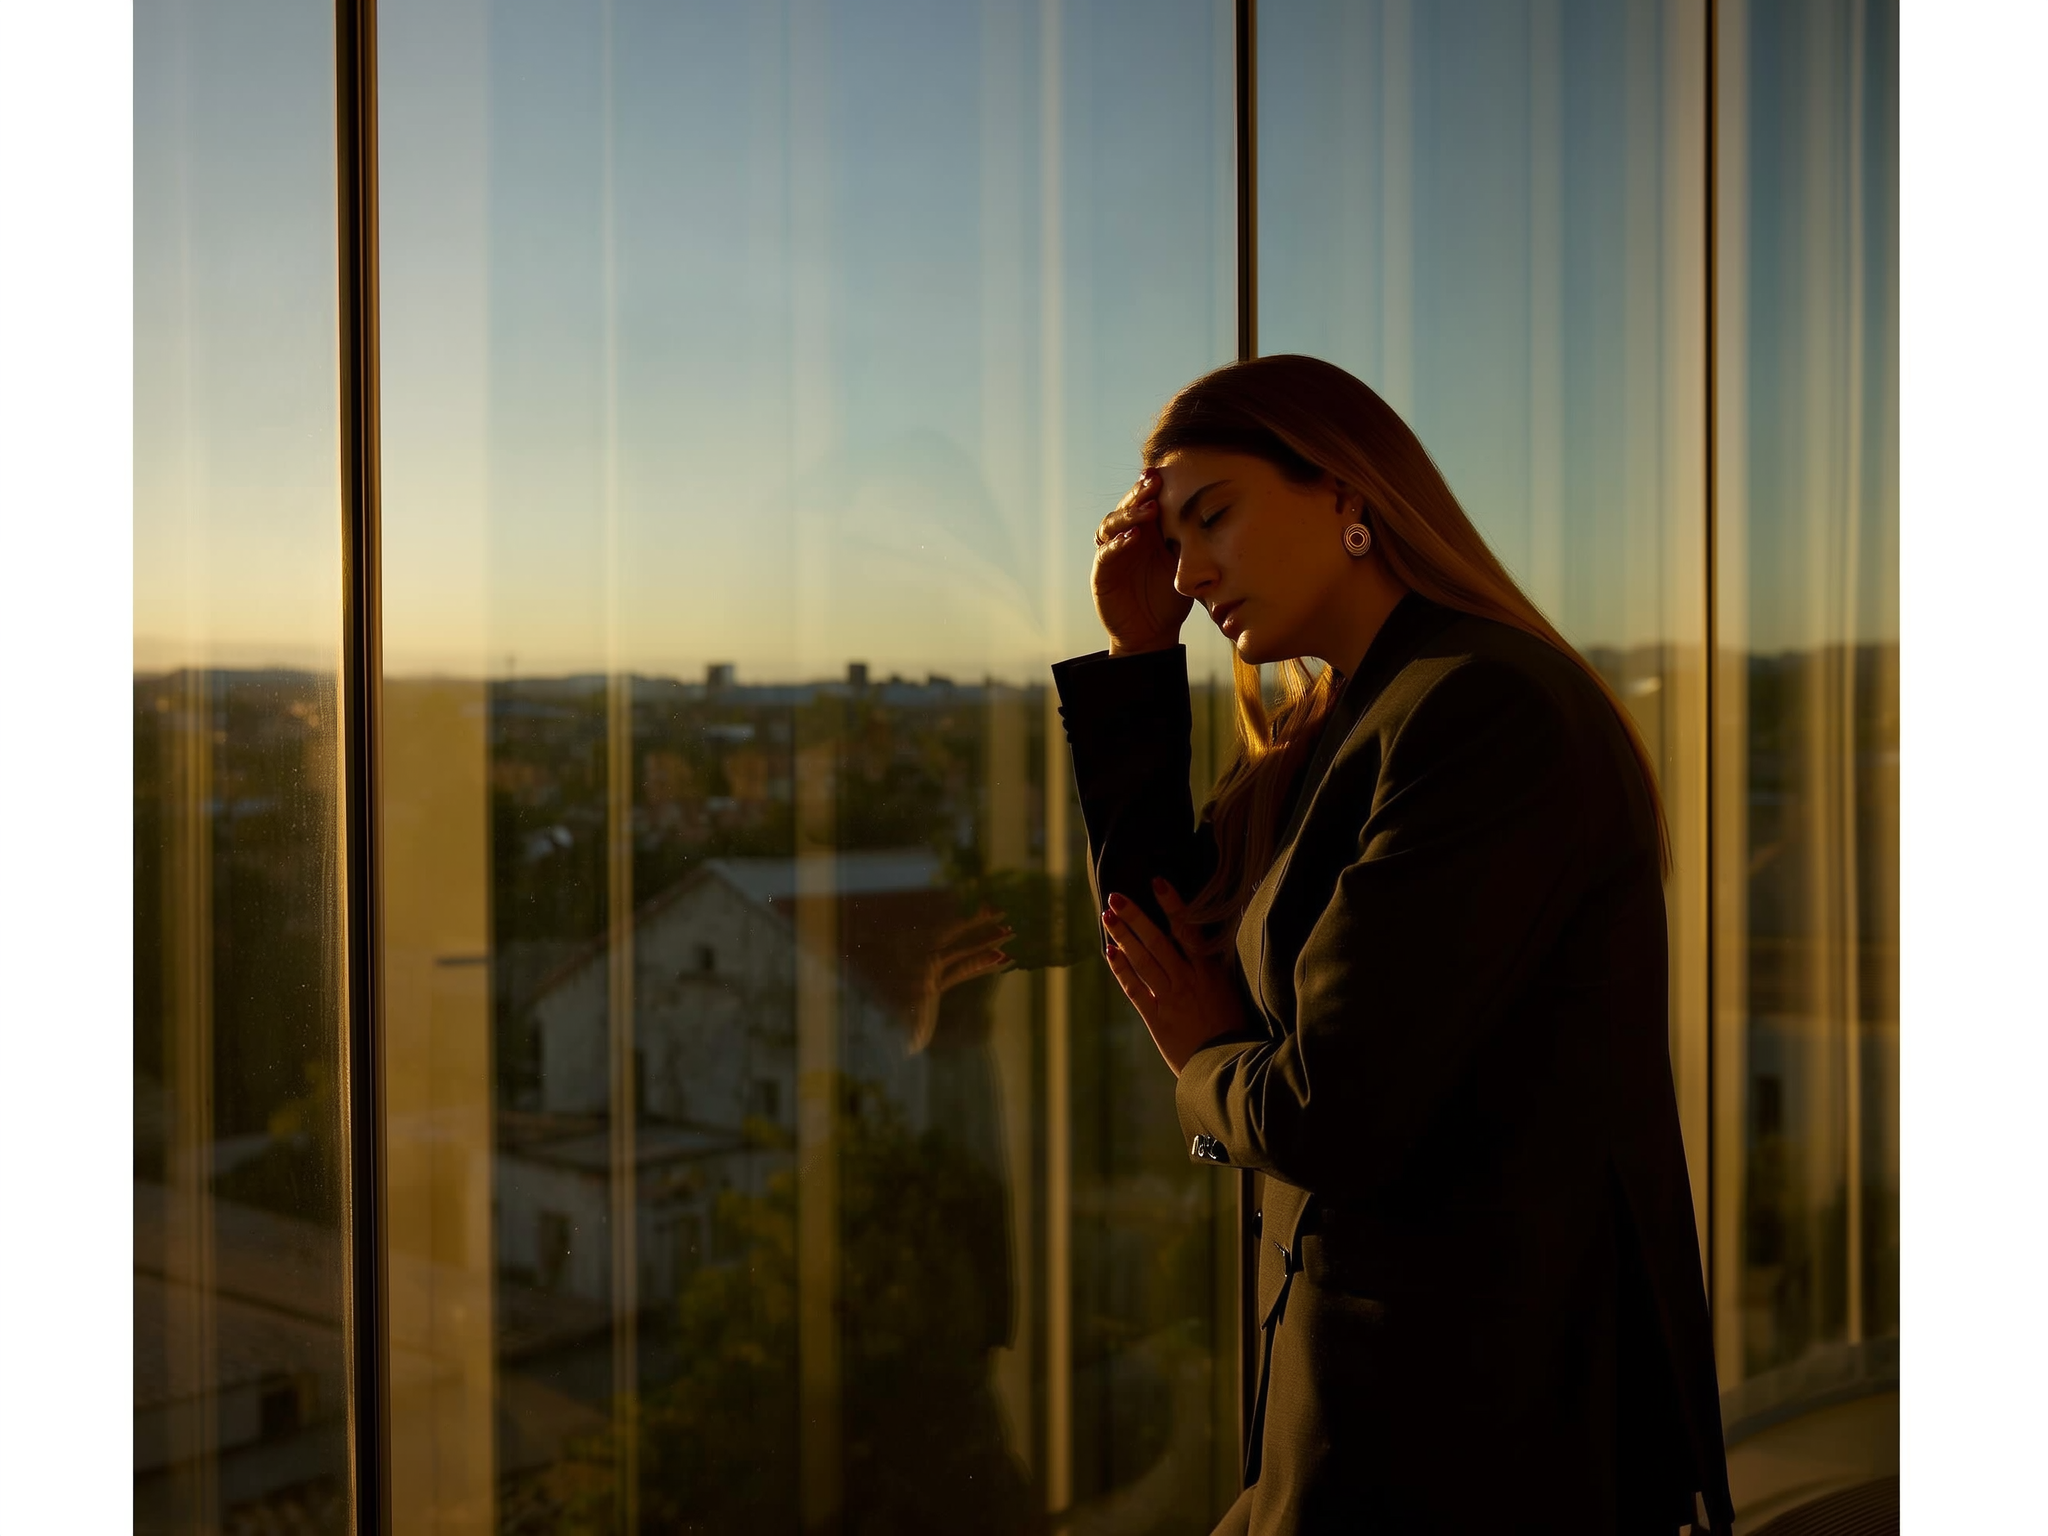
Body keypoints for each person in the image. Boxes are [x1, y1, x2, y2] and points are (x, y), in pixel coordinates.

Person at [1050, 355, 1734, 1534]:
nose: (1190, 569)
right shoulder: (1344, 726)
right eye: (1173, 539)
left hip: (1477, 1437)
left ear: (1346, 494)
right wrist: (1136, 656)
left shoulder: (1478, 710)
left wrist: (1206, 1060)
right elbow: (1160, 936)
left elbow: (1328, 1113)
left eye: (1212, 516)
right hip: (1368, 1415)